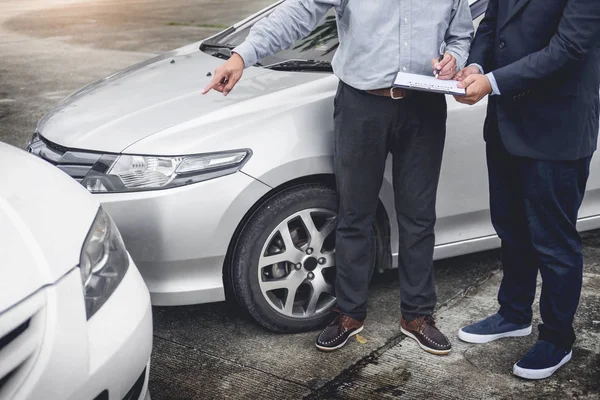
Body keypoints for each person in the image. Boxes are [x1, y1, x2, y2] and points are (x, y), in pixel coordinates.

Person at [203, 0, 473, 354]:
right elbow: (298, 12)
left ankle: (417, 315)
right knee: (354, 214)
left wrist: (454, 58)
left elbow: (461, 35)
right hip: (362, 106)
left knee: (418, 217)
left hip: (424, 108)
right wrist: (242, 56)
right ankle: (349, 312)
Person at [453, 0, 600, 379]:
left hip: (557, 128)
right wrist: (475, 66)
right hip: (506, 124)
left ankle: (556, 337)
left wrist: (492, 82)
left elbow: (568, 47)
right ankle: (513, 314)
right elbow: (491, 27)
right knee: (511, 227)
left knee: (553, 241)